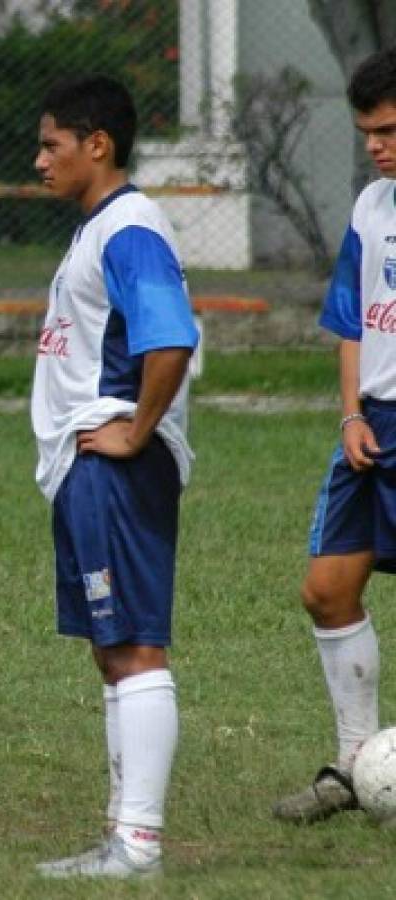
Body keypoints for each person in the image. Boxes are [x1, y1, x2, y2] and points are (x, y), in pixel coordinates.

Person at [28, 75, 198, 879]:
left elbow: (171, 340)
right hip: (84, 464)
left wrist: (137, 429)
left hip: (115, 467)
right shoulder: (99, 229)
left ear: (99, 145)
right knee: (112, 650)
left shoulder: (130, 229)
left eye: (52, 144)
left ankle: (139, 843)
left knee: (134, 646)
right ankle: (122, 836)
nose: (40, 161)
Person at [273, 47, 396, 825]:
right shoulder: (371, 207)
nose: (377, 146)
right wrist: (351, 412)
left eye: (388, 130)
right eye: (367, 134)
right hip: (375, 426)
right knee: (326, 590)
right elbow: (351, 316)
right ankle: (354, 765)